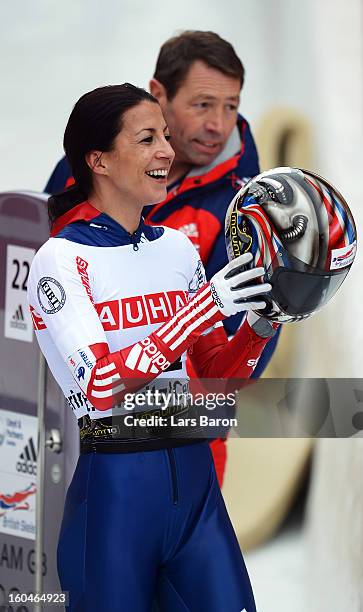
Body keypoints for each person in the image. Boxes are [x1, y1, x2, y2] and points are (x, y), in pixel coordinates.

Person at [29, 84, 279, 611]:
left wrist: (261, 321)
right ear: (97, 160)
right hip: (116, 494)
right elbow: (102, 387)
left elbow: (215, 376)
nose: (167, 150)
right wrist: (204, 305)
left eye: (165, 135)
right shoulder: (59, 259)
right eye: (147, 139)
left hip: (197, 491)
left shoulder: (177, 248)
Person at [44, 31, 280, 486]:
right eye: (202, 105)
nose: (218, 125)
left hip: (182, 438)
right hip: (82, 428)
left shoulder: (247, 206)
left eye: (231, 106)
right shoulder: (93, 159)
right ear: (159, 92)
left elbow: (229, 360)